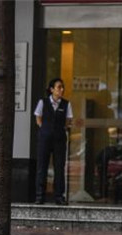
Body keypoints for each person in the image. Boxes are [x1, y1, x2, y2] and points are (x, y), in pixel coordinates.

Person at [34, 77, 72, 205]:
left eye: (62, 87)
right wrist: (44, 129)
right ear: (52, 90)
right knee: (42, 167)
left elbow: (68, 121)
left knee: (59, 167)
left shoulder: (66, 104)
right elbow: (38, 118)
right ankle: (40, 196)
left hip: (59, 139)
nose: (61, 89)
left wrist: (61, 129)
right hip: (45, 138)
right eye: (59, 87)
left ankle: (59, 196)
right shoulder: (43, 102)